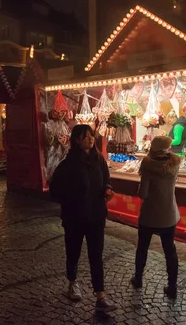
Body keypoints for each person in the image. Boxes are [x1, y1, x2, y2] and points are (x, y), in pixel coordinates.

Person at [49, 124, 117, 313]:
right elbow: (54, 191)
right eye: (86, 136)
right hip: (74, 217)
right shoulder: (67, 164)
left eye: (92, 135)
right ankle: (72, 283)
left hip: (96, 216)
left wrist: (107, 189)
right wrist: (71, 200)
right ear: (77, 140)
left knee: (96, 255)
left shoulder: (99, 160)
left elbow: (106, 178)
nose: (91, 139)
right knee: (74, 252)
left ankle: (100, 295)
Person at [131, 136, 181, 299]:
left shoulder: (148, 165)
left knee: (142, 248)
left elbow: (143, 194)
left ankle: (138, 278)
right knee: (170, 251)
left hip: (150, 215)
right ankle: (172, 287)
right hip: (169, 214)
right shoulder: (175, 164)